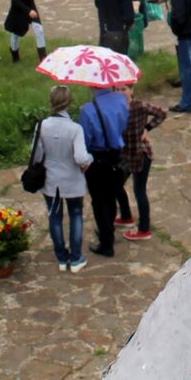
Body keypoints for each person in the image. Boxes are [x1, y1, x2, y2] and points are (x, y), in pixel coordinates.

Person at [33, 86, 92, 272]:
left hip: (51, 179)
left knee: (54, 217)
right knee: (76, 215)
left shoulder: (41, 126)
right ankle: (75, 258)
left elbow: (36, 155)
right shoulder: (75, 129)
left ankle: (61, 257)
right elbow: (81, 158)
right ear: (69, 102)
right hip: (72, 179)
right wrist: (91, 159)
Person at [79, 84, 129, 258]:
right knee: (112, 196)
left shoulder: (88, 110)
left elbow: (86, 139)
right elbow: (124, 125)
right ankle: (109, 230)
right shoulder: (121, 99)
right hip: (117, 156)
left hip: (98, 159)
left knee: (99, 201)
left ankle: (106, 243)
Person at [117, 82, 167, 241]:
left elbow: (162, 113)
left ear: (132, 90)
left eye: (123, 89)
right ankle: (126, 216)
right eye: (117, 89)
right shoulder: (114, 108)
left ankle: (144, 229)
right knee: (116, 185)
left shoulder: (140, 106)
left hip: (140, 154)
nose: (120, 92)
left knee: (140, 191)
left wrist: (147, 128)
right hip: (124, 155)